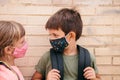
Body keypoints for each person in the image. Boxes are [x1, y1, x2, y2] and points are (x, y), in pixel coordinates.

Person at [32, 8, 101, 80]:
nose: (51, 39)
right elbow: (35, 78)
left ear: (71, 36)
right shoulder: (47, 57)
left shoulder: (88, 57)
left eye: (55, 35)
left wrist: (94, 78)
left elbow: (98, 78)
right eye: (50, 35)